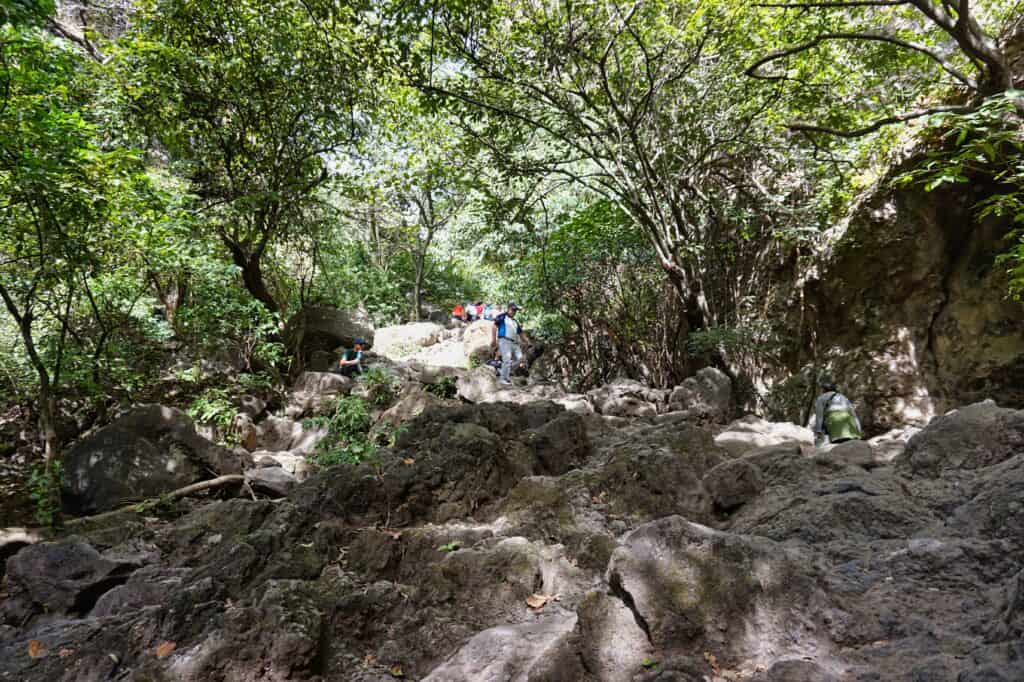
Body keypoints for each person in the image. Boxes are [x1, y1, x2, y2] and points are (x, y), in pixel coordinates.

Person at [812, 376, 863, 446]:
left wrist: (818, 431)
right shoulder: (843, 397)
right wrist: (859, 430)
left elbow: (819, 417)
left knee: (841, 446)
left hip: (835, 423)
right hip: (850, 424)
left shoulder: (821, 398)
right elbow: (854, 416)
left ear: (823, 390)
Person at [491, 302, 529, 386]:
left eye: (515, 310)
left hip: (514, 342)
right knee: (507, 359)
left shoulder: (515, 322)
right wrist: (493, 339)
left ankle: (502, 370)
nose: (514, 312)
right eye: (513, 310)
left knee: (521, 359)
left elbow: (521, 333)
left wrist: (527, 341)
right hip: (504, 340)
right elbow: (494, 327)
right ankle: (504, 379)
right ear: (508, 309)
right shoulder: (502, 317)